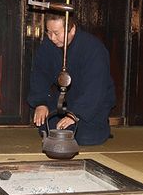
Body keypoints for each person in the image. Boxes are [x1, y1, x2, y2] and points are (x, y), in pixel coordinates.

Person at [27, 12, 116, 146]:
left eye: (56, 33)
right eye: (48, 32)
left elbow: (96, 87)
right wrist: (41, 103)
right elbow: (40, 75)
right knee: (48, 127)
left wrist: (75, 114)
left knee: (84, 137)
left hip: (92, 106)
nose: (52, 38)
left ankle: (101, 126)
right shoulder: (48, 44)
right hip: (64, 102)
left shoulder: (93, 48)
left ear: (72, 29)